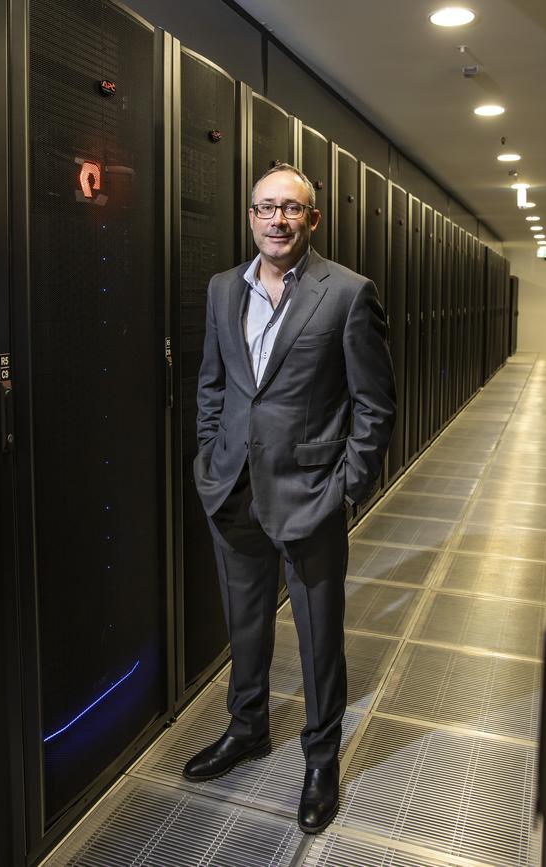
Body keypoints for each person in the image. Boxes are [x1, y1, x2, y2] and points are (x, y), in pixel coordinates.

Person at [183, 163, 396, 834]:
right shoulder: (223, 290)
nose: (277, 220)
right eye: (265, 208)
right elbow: (213, 383)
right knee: (244, 624)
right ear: (250, 216)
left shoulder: (348, 293)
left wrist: (347, 488)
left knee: (318, 637)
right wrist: (208, 456)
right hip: (234, 489)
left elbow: (375, 405)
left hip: (310, 495)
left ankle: (321, 758)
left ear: (313, 219)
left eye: (291, 210)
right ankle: (246, 727)